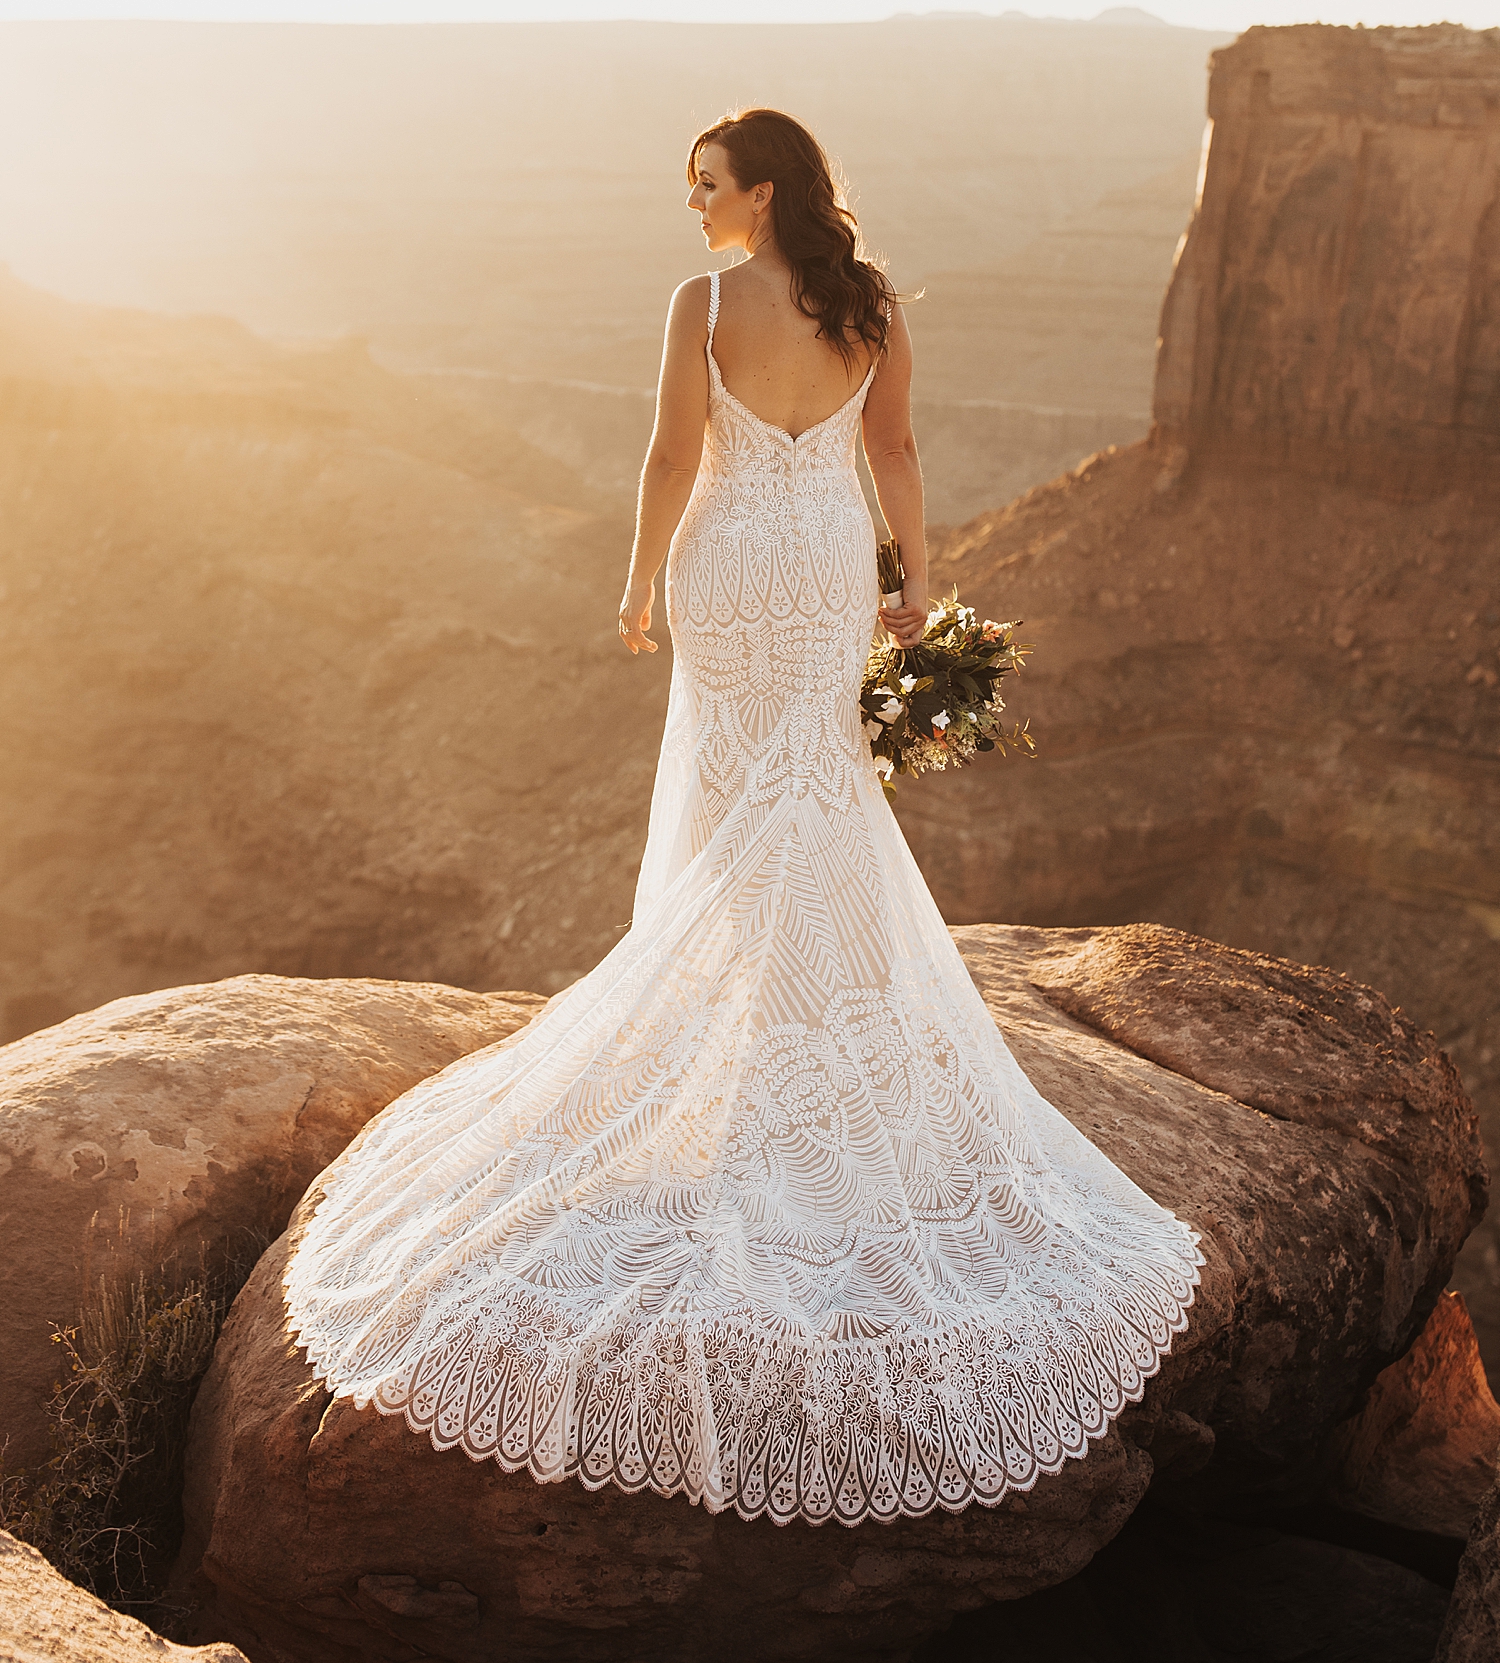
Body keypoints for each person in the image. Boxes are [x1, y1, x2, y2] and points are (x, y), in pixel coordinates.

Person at [285, 108, 1200, 1528]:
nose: (692, 207)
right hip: (828, 562)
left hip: (728, 565)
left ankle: (721, 1039)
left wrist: (641, 582)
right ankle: (809, 1037)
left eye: (707, 184)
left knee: (729, 796)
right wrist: (912, 579)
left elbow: (667, 458)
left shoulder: (705, 304)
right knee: (818, 789)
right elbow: (893, 451)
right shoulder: (870, 302)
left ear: (761, 192)